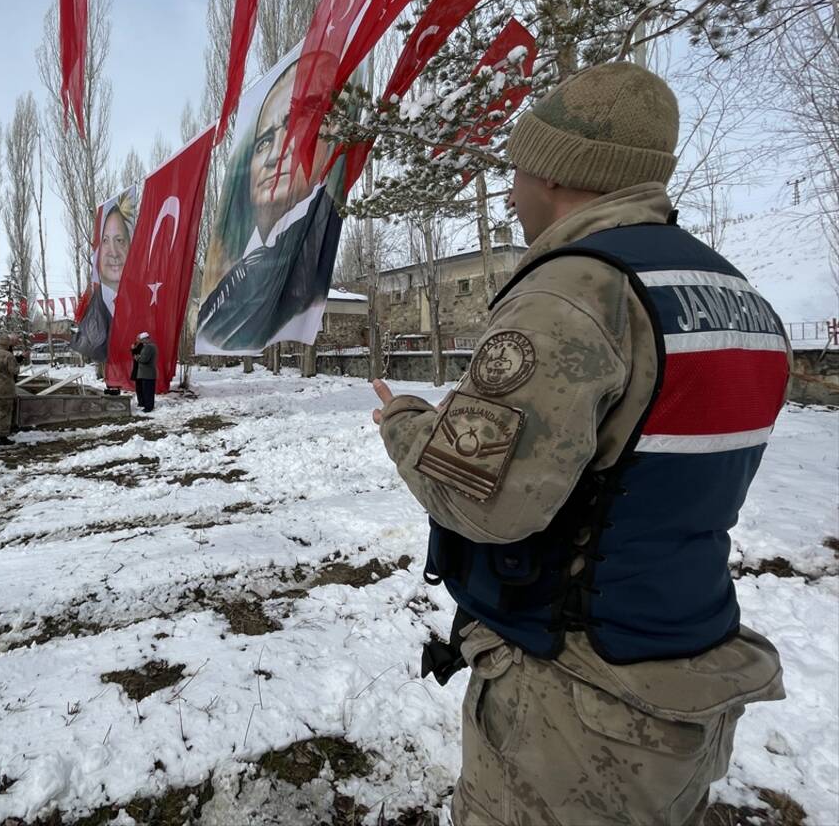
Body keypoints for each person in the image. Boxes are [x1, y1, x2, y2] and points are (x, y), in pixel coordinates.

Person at [373, 62, 789, 826]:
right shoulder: (739, 297)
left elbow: (481, 499)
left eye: (517, 171)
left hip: (575, 702)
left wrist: (403, 424)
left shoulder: (572, 294)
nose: (509, 192)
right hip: (690, 669)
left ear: (560, 174)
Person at [196, 57, 348, 354]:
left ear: (331, 132)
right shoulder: (231, 282)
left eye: (294, 127)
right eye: (264, 142)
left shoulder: (311, 249)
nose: (273, 155)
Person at [70, 186, 138, 362]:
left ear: (131, 246)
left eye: (120, 240)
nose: (113, 252)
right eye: (105, 241)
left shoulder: (143, 302)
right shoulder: (95, 309)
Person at [130, 331, 157, 413]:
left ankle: (149, 407)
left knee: (148, 391)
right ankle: (147, 405)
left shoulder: (149, 347)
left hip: (147, 373)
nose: (141, 341)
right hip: (146, 373)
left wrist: (137, 358)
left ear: (146, 339)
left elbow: (144, 359)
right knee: (146, 391)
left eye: (142, 340)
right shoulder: (149, 346)